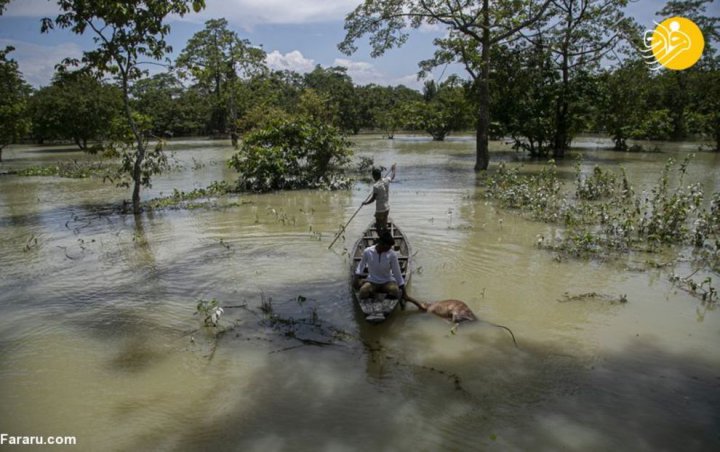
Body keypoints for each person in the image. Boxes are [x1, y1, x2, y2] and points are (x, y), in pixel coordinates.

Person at [353, 230, 406, 300]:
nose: (389, 249)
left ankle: (385, 303)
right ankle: (373, 296)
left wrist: (404, 292)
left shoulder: (392, 254)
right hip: (372, 281)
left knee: (395, 290)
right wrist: (355, 280)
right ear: (381, 243)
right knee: (363, 291)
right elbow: (361, 266)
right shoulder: (368, 252)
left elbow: (397, 273)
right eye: (388, 247)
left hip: (387, 281)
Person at [363, 163, 396, 231]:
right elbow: (392, 176)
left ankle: (382, 239)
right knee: (384, 226)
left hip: (380, 210)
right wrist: (394, 169)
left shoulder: (376, 186)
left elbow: (373, 199)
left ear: (374, 176)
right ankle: (386, 237)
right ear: (380, 175)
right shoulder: (386, 180)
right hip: (387, 208)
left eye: (373, 176)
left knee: (378, 227)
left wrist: (365, 203)